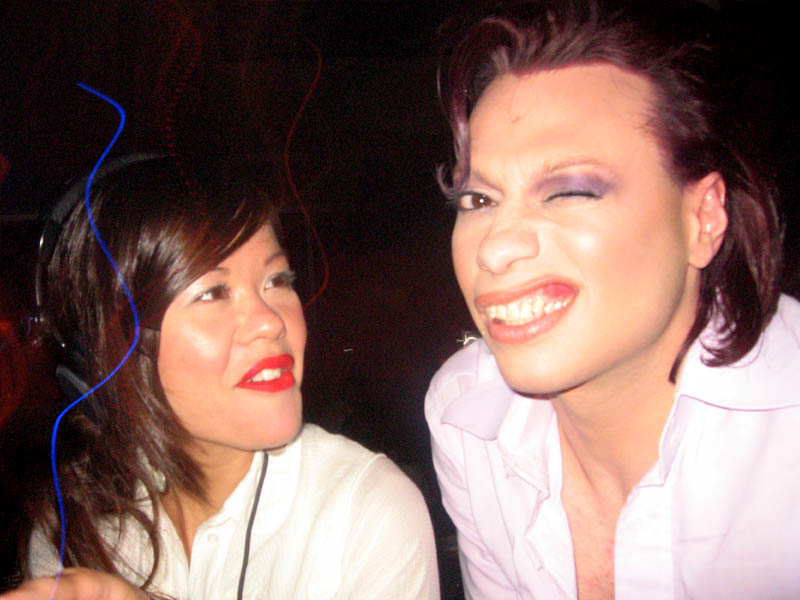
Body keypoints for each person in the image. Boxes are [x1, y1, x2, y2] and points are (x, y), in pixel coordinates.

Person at [425, 1, 799, 598]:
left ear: (703, 218)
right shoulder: (466, 416)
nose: (493, 248)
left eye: (570, 191)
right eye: (479, 200)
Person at [2, 155, 439, 599]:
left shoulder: (366, 512)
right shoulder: (73, 524)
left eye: (277, 280)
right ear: (106, 351)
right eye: (213, 292)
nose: (271, 322)